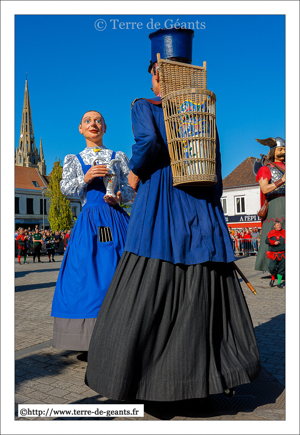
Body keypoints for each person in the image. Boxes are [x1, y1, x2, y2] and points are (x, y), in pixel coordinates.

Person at [85, 28, 261, 403]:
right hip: (198, 204)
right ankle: (203, 380)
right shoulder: (203, 109)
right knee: (201, 281)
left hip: (160, 203)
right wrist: (213, 208)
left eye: (154, 73)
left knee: (148, 280)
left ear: (157, 74)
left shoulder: (144, 106)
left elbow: (148, 143)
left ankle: (145, 379)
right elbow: (213, 166)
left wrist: (134, 171)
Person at [51, 110, 134, 355]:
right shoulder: (73, 158)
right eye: (88, 121)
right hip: (90, 221)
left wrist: (120, 198)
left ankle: (123, 333)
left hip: (115, 218)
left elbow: (130, 191)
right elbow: (65, 188)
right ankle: (88, 339)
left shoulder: (118, 156)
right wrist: (86, 177)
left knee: (118, 271)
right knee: (86, 274)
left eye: (98, 120)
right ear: (80, 128)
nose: (93, 124)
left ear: (105, 127)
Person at [254, 137, 285, 271]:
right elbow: (265, 189)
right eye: (280, 149)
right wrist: (282, 180)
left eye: (285, 149)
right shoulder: (266, 169)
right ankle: (274, 267)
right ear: (273, 151)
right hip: (275, 204)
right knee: (277, 233)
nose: (283, 152)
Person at [265, 221, 285, 288]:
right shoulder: (271, 233)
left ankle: (279, 283)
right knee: (271, 267)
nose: (279, 226)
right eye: (277, 225)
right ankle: (273, 278)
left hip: (282, 254)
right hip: (273, 254)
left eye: (280, 224)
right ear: (274, 226)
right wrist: (273, 242)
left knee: (281, 269)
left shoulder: (284, 232)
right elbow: (266, 241)